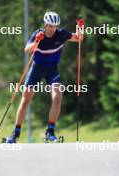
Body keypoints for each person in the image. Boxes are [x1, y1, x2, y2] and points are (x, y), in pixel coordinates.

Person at [6, 11, 83, 143]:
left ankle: (50, 131)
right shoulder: (38, 34)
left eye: (55, 26)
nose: (53, 29)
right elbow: (27, 49)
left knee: (57, 97)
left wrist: (80, 28)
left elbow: (78, 39)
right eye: (50, 26)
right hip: (36, 69)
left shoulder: (61, 34)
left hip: (52, 70)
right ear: (45, 25)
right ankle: (15, 133)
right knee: (25, 100)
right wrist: (36, 41)